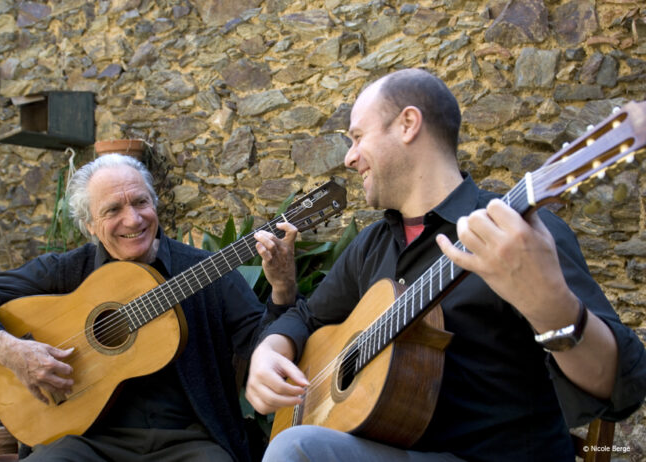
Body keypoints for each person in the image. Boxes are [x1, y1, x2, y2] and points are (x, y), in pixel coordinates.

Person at [245, 68, 646, 462]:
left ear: (408, 124)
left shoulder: (515, 234)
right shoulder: (372, 245)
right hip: (390, 443)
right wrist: (271, 348)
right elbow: (307, 316)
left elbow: (623, 388)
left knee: (295, 449)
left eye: (357, 137)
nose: (349, 158)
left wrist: (550, 304)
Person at [0, 153, 298, 462]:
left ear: (155, 205)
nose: (133, 220)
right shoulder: (67, 272)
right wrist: (12, 351)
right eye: (113, 210)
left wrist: (282, 287)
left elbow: (263, 347)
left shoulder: (208, 272)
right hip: (84, 440)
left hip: (189, 439)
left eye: (140, 203)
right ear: (89, 224)